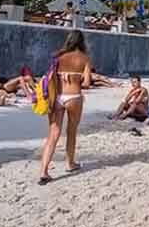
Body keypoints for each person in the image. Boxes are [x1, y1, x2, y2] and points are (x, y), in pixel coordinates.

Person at [38, 30, 92, 185]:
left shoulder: (58, 57)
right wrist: (78, 77)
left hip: (58, 98)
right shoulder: (84, 58)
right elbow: (87, 83)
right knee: (71, 131)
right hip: (74, 96)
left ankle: (44, 171)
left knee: (53, 134)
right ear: (82, 42)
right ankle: (70, 163)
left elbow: (51, 77)